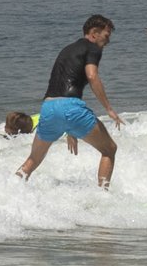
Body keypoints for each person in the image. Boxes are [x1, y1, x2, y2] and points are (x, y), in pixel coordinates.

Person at [18, 15, 124, 188]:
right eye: (106, 35)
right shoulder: (93, 48)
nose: (108, 40)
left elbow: (63, 85)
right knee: (109, 149)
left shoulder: (67, 50)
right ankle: (103, 198)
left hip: (49, 108)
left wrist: (70, 130)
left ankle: (8, 191)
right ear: (94, 33)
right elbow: (92, 76)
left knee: (33, 159)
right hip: (71, 109)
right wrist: (108, 108)